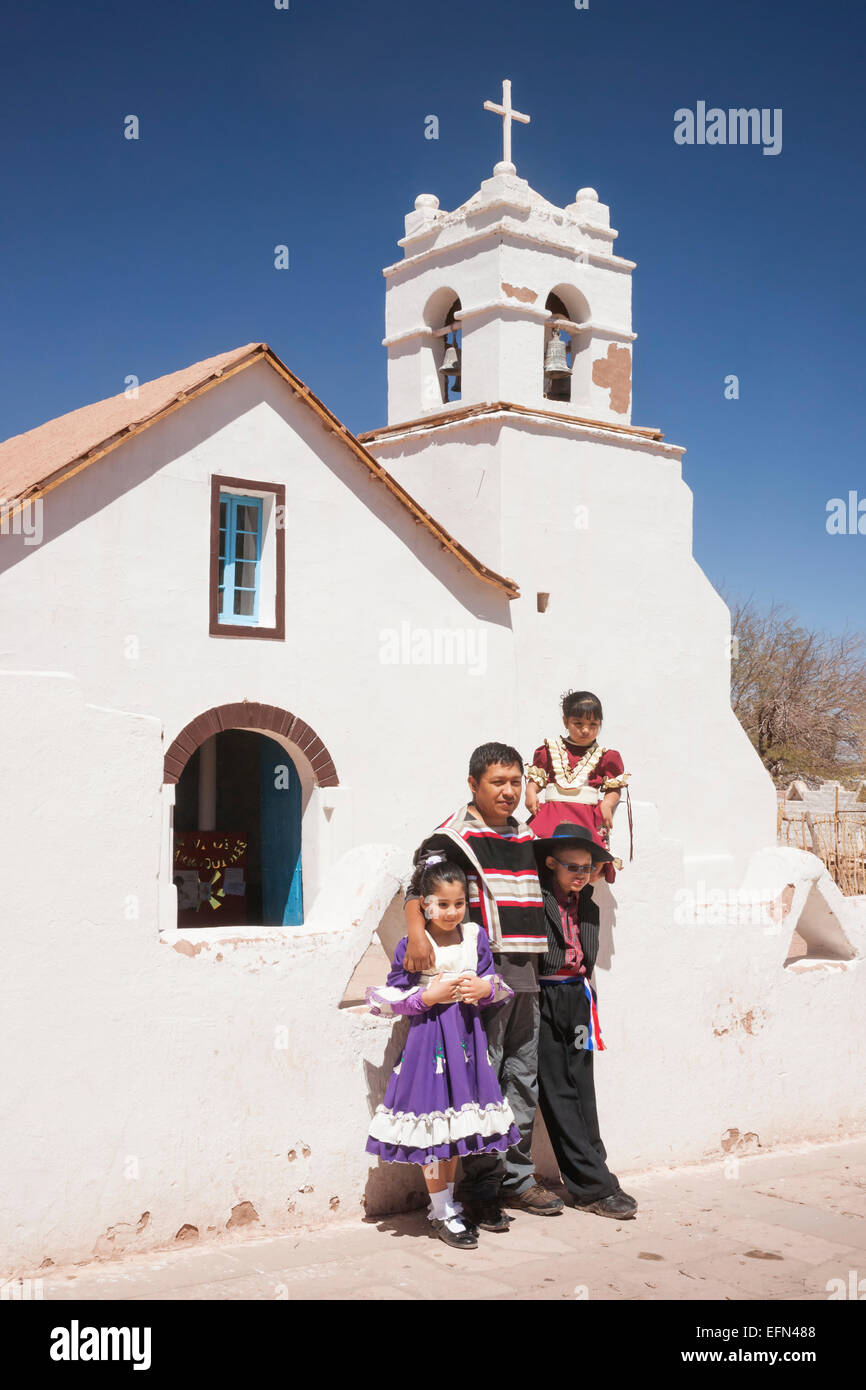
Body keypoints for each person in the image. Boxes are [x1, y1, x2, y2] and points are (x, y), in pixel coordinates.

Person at [402, 743, 564, 1231]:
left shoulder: (523, 833)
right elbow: (417, 889)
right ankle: (479, 1188)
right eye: (498, 782)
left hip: (525, 974)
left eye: (516, 782)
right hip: (480, 981)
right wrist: (415, 935)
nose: (509, 792)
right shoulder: (454, 837)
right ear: (473, 784)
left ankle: (514, 1179)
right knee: (481, 1083)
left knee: (521, 1077)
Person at [365, 857, 519, 1249]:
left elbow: (492, 980)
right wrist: (425, 997)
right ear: (425, 905)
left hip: (467, 1045)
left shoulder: (475, 937)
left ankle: (448, 1204)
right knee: (434, 1128)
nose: (451, 912)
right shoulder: (413, 945)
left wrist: (485, 990)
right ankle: (441, 1208)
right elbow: (391, 996)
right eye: (442, 904)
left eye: (459, 903)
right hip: (429, 1046)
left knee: (455, 1127)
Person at [532, 822, 637, 1219]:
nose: (579, 875)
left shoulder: (589, 905)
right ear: (551, 864)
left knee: (583, 1088)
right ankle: (591, 1188)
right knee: (557, 1091)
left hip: (578, 998)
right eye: (571, 867)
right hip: (543, 997)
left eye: (586, 867)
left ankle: (599, 1173)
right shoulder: (536, 901)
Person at [525, 689, 631, 883]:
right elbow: (537, 780)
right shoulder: (549, 750)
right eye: (578, 723)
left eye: (593, 724)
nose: (585, 730)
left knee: (586, 860)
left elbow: (613, 788)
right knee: (543, 855)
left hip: (584, 817)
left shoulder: (606, 756)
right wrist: (531, 791)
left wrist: (607, 804)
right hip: (552, 813)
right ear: (566, 722)